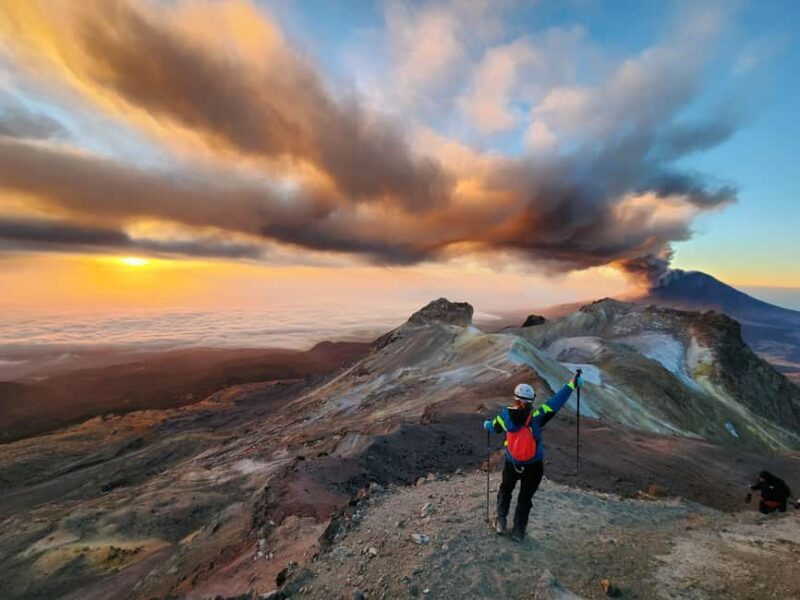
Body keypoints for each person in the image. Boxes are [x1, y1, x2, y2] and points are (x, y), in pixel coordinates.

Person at [483, 372, 583, 541]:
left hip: (511, 463)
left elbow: (493, 427)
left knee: (506, 489)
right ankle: (518, 531)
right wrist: (572, 384)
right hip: (533, 466)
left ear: (515, 399)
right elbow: (556, 402)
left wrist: (486, 424)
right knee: (525, 497)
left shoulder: (504, 416)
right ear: (530, 401)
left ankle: (500, 522)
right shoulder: (537, 416)